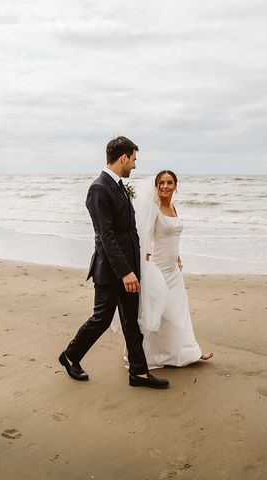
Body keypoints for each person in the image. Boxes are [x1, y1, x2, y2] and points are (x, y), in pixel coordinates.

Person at [58, 136, 169, 389]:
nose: (134, 165)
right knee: (101, 319)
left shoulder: (119, 186)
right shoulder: (99, 189)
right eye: (133, 159)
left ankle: (139, 373)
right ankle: (70, 356)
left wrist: (136, 266)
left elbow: (128, 231)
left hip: (130, 268)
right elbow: (105, 236)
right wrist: (125, 272)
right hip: (111, 271)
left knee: (132, 320)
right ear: (123, 158)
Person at [133, 170, 213, 369]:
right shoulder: (154, 208)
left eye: (169, 183)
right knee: (162, 314)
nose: (165, 186)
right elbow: (144, 238)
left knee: (180, 313)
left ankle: (189, 352)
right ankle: (150, 355)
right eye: (161, 182)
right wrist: (145, 264)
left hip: (173, 269)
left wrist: (177, 257)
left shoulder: (173, 207)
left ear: (176, 186)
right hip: (158, 269)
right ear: (156, 185)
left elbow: (171, 237)